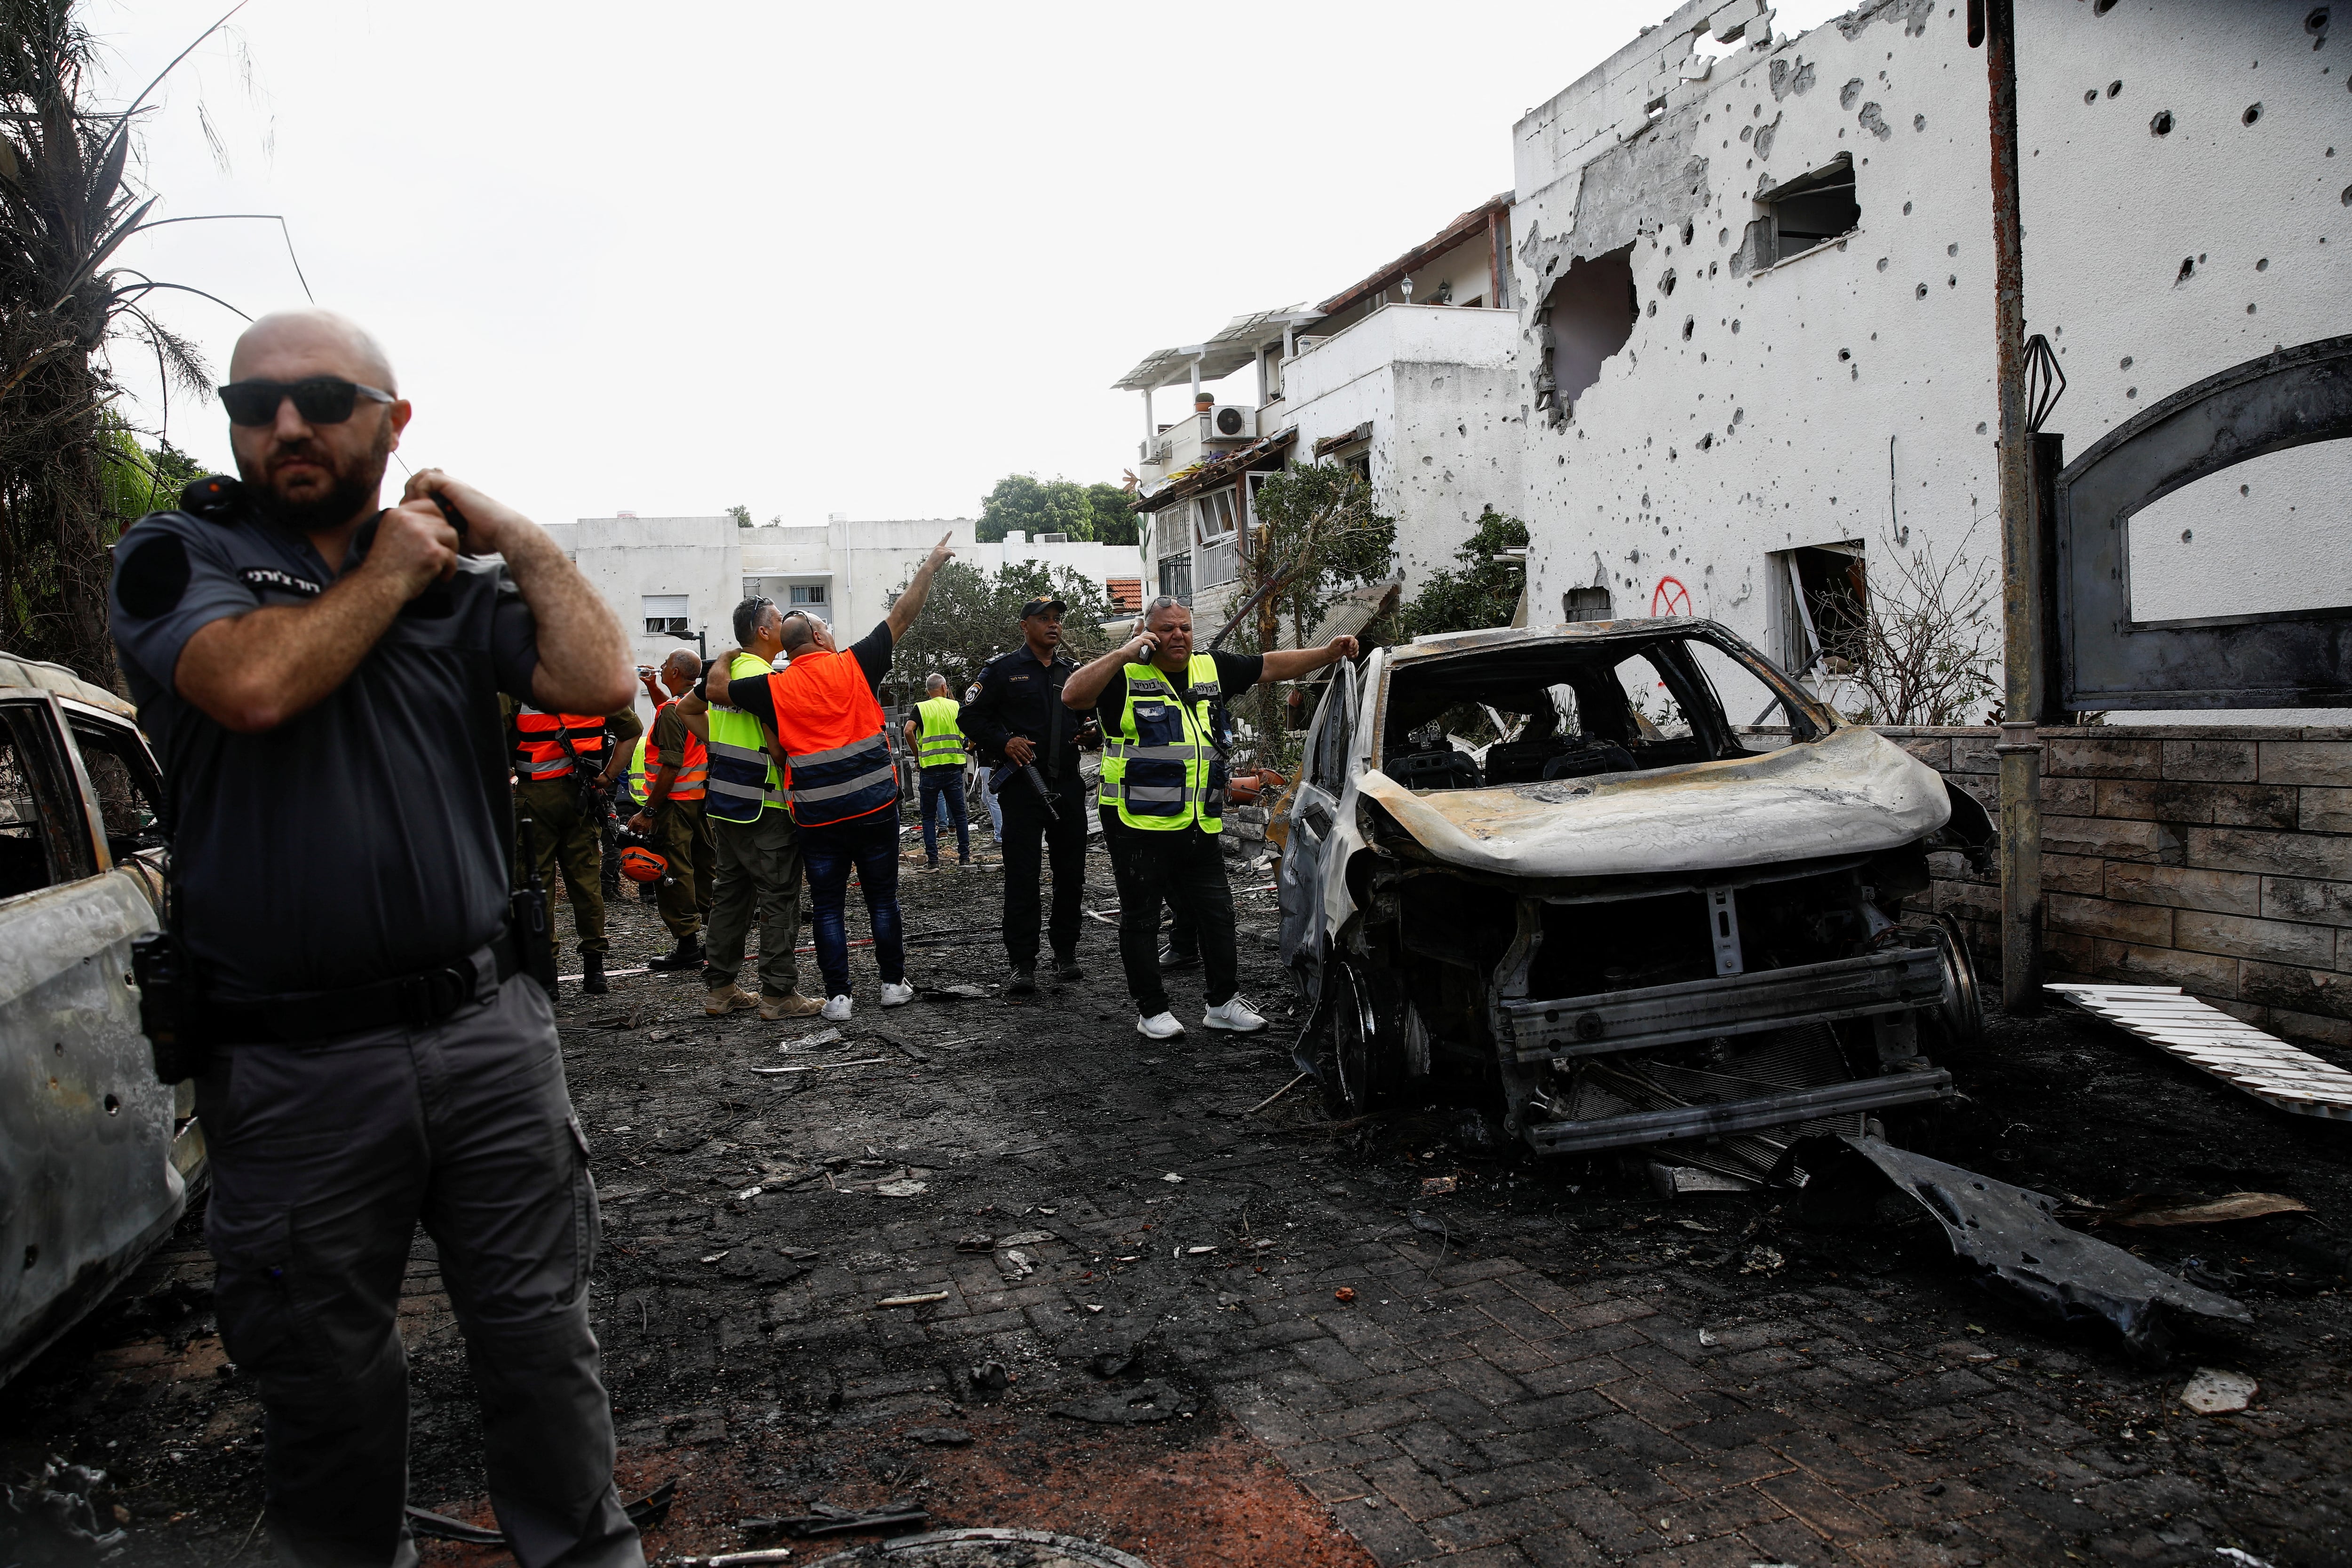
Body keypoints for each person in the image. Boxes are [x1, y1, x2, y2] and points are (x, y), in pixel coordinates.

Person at [105, 309, 643, 1566]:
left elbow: (600, 678)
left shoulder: (463, 584)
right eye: (255, 405)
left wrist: (507, 534)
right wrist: (392, 568)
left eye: (323, 398)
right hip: (293, 1066)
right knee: (327, 1380)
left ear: (394, 424)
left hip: (488, 1035)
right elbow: (251, 684)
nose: (285, 424)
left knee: (541, 1344)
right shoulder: (182, 553)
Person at [1063, 595, 1357, 1040]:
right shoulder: (1123, 675)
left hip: (1199, 823)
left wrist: (1328, 653)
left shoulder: (1210, 668)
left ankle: (1222, 1003)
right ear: (1149, 633)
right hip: (1137, 824)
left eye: (1184, 627)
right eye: (1166, 629)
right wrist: (1124, 652)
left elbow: (1271, 665)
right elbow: (1072, 695)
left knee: (1218, 915)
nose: (1177, 635)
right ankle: (1152, 1010)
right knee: (1141, 919)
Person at [705, 533, 954, 1022]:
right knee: (883, 898)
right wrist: (929, 566)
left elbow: (713, 688)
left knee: (827, 907)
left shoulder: (772, 687)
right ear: (819, 637)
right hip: (874, 807)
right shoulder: (856, 663)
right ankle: (889, 985)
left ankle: (838, 997)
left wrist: (727, 655)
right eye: (826, 627)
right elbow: (903, 614)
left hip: (818, 818)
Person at [683, 598, 820, 1020]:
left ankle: (721, 990)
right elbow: (779, 749)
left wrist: (722, 747)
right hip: (767, 808)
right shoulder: (768, 678)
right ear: (763, 632)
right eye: (780, 620)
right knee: (779, 898)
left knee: (730, 898)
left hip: (726, 805)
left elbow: (686, 709)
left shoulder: (723, 675)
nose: (787, 624)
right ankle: (778, 994)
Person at [959, 598, 1094, 995]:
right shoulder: (1003, 671)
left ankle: (1065, 953)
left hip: (1067, 785)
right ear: (1025, 626)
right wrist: (1005, 742)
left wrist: (1093, 733)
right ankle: (1023, 963)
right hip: (1022, 786)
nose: (1053, 626)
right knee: (1023, 877)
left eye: (1057, 620)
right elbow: (969, 717)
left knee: (1071, 875)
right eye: (1044, 620)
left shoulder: (1073, 674)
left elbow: (1090, 717)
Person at [508, 697, 639, 994]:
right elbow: (632, 730)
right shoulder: (592, 688)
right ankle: (595, 971)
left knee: (536, 884)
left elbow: (485, 738)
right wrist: (607, 777)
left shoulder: (519, 694)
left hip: (533, 798)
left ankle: (547, 975)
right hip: (583, 796)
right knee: (586, 882)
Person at [628, 652, 717, 968]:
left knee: (675, 874)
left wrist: (649, 811)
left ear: (676, 671)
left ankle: (688, 947)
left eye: (665, 665)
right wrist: (653, 686)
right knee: (704, 867)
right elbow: (672, 715)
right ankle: (716, 942)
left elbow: (670, 763)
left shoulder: (671, 712)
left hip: (673, 807)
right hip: (698, 803)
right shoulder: (694, 705)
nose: (661, 668)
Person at [900, 672, 970, 868]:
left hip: (929, 769)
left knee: (929, 817)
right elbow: (972, 728)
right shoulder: (956, 706)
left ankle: (933, 861)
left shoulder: (921, 708)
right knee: (960, 815)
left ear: (927, 691)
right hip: (954, 767)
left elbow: (908, 731)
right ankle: (964, 858)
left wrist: (917, 756)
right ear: (944, 688)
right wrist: (969, 746)